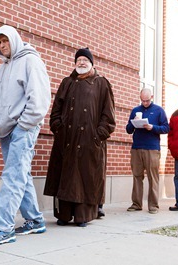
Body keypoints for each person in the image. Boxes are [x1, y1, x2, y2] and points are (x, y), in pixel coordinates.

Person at [0, 25, 51, 244]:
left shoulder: (30, 61)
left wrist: (24, 125)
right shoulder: (3, 67)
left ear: (15, 40)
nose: (2, 46)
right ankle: (35, 220)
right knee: (22, 175)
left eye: (5, 41)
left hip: (23, 128)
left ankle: (4, 227)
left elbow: (39, 99)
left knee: (13, 176)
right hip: (7, 131)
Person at [44, 47, 115, 227]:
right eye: (78, 60)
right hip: (66, 140)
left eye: (85, 60)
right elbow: (56, 111)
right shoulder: (67, 82)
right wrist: (58, 128)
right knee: (66, 177)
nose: (81, 63)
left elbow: (108, 117)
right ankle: (64, 214)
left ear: (91, 63)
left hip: (89, 142)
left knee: (85, 178)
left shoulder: (101, 83)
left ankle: (83, 216)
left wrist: (97, 136)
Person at [125, 89, 169, 214]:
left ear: (152, 97)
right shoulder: (135, 110)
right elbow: (128, 130)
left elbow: (166, 128)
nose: (145, 103)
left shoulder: (158, 110)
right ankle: (136, 204)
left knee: (153, 177)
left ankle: (153, 206)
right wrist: (134, 122)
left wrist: (152, 127)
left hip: (152, 148)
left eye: (147, 100)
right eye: (142, 100)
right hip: (137, 147)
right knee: (137, 176)